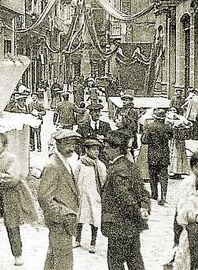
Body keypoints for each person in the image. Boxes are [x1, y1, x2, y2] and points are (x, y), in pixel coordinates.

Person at [0, 133, 38, 266]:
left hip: (10, 197)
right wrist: (0, 176)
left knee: (12, 225)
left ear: (5, 146)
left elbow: (13, 179)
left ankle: (17, 254)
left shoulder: (12, 159)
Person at [101, 130, 150, 270]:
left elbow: (125, 199)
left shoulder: (117, 170)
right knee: (135, 263)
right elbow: (143, 192)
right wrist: (144, 209)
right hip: (132, 228)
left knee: (115, 264)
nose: (104, 151)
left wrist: (136, 212)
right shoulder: (131, 166)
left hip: (119, 228)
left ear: (116, 148)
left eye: (106, 147)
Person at [38, 129, 81, 270]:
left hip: (63, 221)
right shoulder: (53, 166)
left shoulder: (64, 161)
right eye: (68, 144)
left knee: (53, 258)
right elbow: (44, 198)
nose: (72, 148)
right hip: (60, 222)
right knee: (64, 261)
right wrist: (63, 215)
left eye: (73, 144)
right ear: (58, 144)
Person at [73, 138, 107, 253]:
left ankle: (93, 243)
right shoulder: (80, 164)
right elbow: (74, 177)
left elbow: (104, 181)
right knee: (80, 218)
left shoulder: (100, 166)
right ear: (87, 150)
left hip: (94, 196)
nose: (96, 152)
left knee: (94, 219)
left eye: (97, 150)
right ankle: (77, 239)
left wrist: (102, 194)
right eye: (93, 150)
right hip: (82, 195)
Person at [142, 108, 173, 205]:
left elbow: (144, 140)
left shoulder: (150, 127)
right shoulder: (168, 127)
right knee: (164, 176)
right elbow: (171, 137)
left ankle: (154, 194)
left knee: (153, 175)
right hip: (164, 155)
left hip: (153, 154)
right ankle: (164, 196)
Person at [116, 91, 139, 156]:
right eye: (123, 100)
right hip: (122, 134)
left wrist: (123, 121)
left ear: (130, 101)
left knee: (129, 154)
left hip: (129, 135)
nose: (124, 101)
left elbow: (133, 126)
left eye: (126, 100)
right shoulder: (123, 109)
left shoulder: (133, 111)